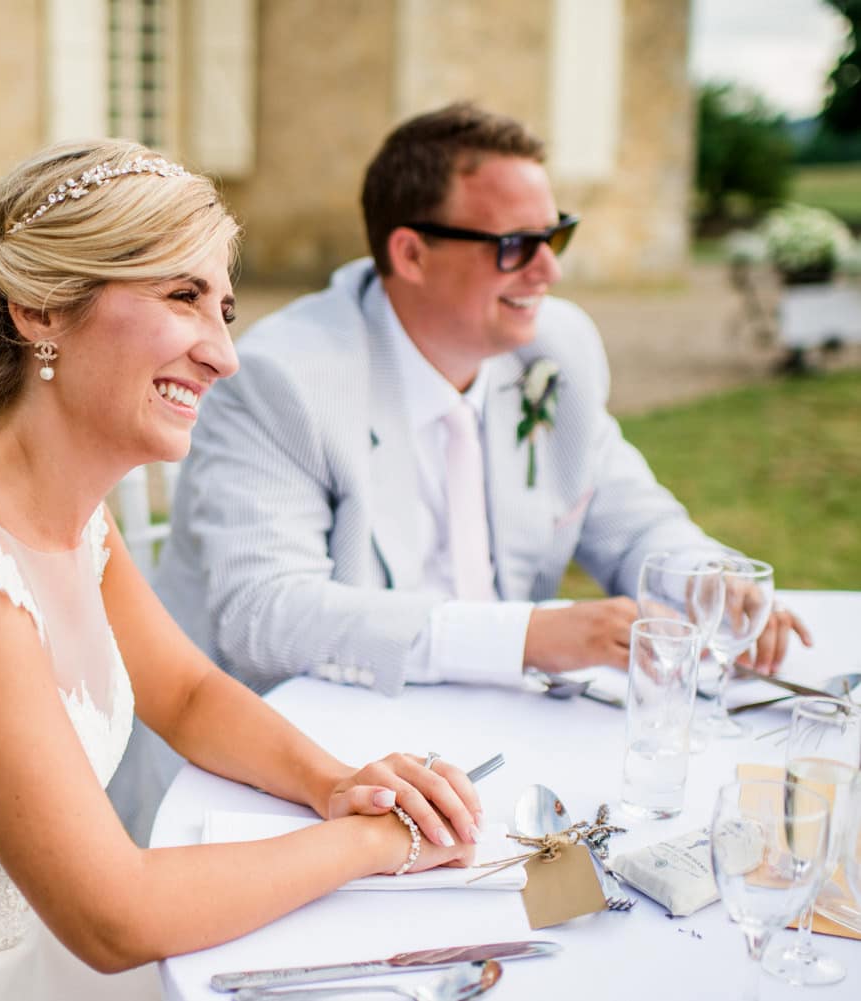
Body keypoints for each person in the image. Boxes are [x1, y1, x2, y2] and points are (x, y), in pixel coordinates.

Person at [0, 139, 483, 1001]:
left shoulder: (74, 516)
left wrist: (337, 782)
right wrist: (376, 841)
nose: (223, 354)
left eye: (224, 309)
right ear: (41, 311)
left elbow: (184, 693)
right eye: (182, 296)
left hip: (19, 952)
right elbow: (114, 920)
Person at [115, 102, 810, 843]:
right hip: (281, 771)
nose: (551, 267)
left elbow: (627, 511)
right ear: (410, 254)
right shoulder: (286, 377)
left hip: (490, 749)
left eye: (556, 234)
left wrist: (711, 581)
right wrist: (532, 635)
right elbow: (266, 615)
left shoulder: (556, 350)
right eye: (516, 245)